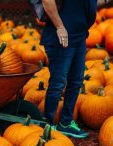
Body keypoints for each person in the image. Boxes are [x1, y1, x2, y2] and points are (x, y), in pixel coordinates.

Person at [41, 0, 111, 138]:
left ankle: (65, 123)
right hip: (61, 37)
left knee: (76, 82)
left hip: (79, 37)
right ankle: (47, 124)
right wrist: (60, 27)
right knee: (58, 83)